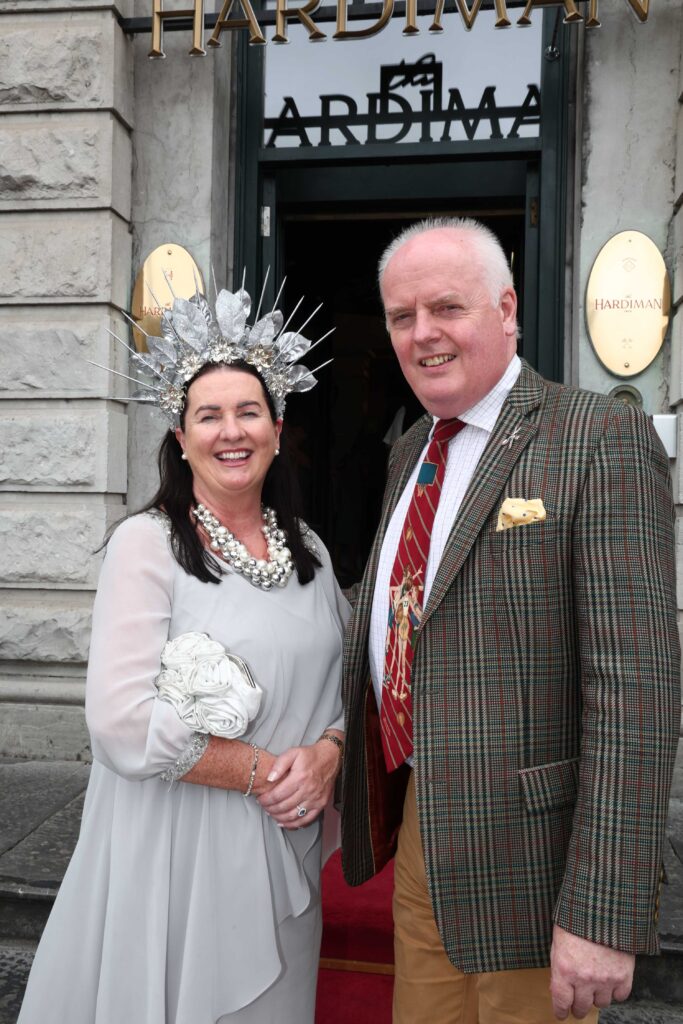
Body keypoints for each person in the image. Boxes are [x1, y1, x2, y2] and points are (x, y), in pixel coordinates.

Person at [340, 217, 680, 1024]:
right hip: (422, 827)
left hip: (535, 861)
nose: (422, 334)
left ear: (506, 308)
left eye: (446, 308)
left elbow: (636, 691)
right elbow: (400, 618)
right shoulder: (409, 449)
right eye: (399, 316)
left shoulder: (598, 435)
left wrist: (599, 912)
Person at [18, 282, 348, 1023]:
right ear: (180, 434)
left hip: (282, 839)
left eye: (247, 411)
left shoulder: (315, 555)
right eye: (208, 415)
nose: (230, 431)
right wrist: (262, 772)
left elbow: (345, 688)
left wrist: (327, 756)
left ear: (277, 424)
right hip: (176, 848)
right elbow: (119, 722)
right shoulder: (148, 545)